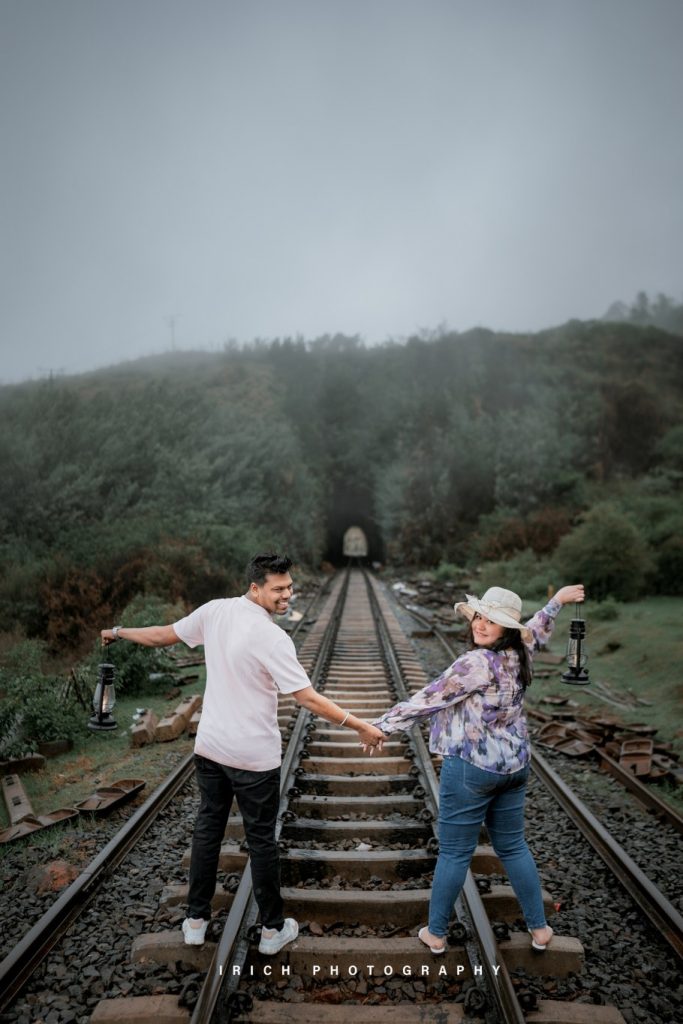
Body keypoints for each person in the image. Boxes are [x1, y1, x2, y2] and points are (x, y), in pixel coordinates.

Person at [101, 553, 385, 953]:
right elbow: (307, 698)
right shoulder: (271, 638)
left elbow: (163, 635)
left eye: (289, 587)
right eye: (279, 589)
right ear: (256, 588)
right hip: (253, 758)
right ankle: (272, 930)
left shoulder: (215, 612)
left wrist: (118, 630)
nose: (287, 594)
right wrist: (360, 725)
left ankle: (196, 921)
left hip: (212, 749)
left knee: (207, 831)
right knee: (261, 841)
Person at [371, 583, 585, 954]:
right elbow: (538, 626)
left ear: (506, 629)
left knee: (454, 852)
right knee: (514, 847)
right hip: (514, 767)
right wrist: (557, 601)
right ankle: (539, 928)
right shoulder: (523, 651)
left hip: (472, 768)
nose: (482, 626)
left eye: (492, 621)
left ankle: (435, 933)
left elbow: (430, 699)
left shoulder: (475, 663)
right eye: (480, 618)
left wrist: (381, 727)